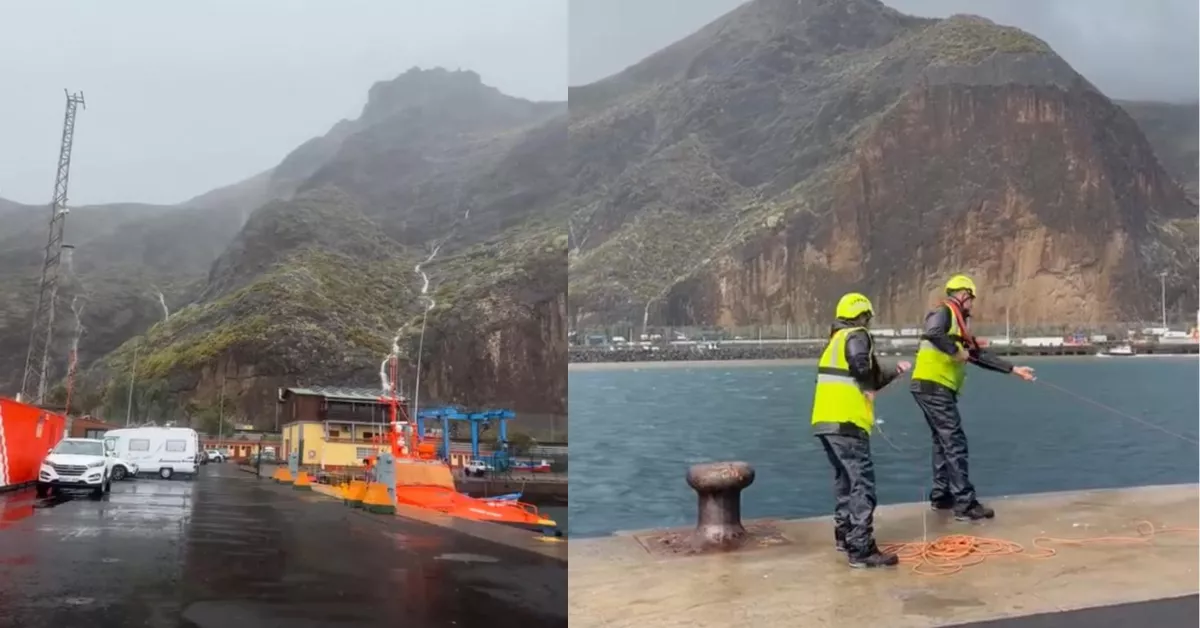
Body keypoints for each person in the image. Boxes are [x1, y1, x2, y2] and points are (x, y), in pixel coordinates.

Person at [910, 274, 1036, 521]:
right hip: (934, 385)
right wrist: (956, 351)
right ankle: (965, 504)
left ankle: (941, 496)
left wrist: (1013, 370)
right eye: (972, 299)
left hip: (931, 387)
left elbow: (977, 355)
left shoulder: (958, 324)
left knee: (942, 441)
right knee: (954, 442)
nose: (972, 305)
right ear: (964, 295)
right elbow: (934, 333)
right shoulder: (945, 312)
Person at [811, 292, 911, 568]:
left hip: (825, 422)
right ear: (863, 316)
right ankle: (861, 549)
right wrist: (867, 385)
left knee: (845, 481)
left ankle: (844, 536)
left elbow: (865, 375)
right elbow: (860, 367)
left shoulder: (834, 341)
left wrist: (895, 371)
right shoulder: (857, 335)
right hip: (848, 422)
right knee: (861, 485)